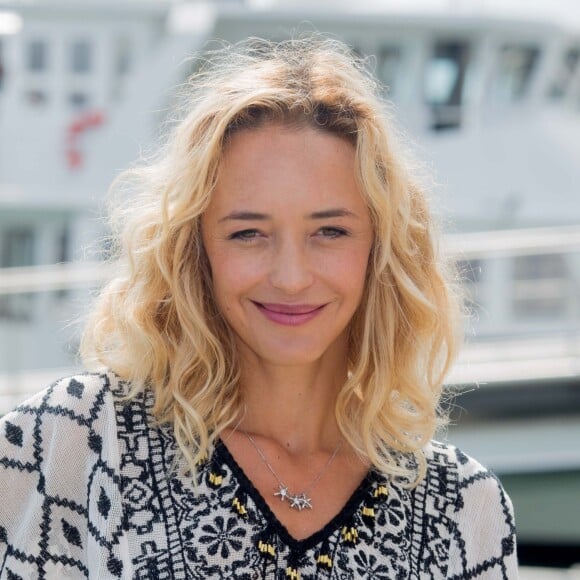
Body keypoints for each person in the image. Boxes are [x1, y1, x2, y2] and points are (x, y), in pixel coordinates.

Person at [0, 37, 517, 579]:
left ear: (380, 250)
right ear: (195, 252)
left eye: (330, 231)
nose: (291, 277)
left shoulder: (465, 512)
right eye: (248, 233)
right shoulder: (71, 442)